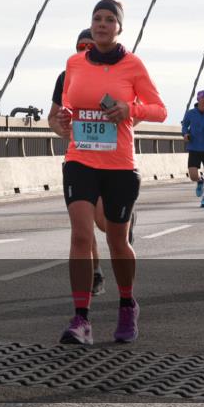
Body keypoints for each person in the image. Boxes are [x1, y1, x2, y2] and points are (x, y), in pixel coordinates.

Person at [54, 0, 167, 344]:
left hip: (119, 165)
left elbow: (160, 111)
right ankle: (81, 318)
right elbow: (63, 110)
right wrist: (61, 120)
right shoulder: (73, 64)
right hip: (80, 160)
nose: (101, 24)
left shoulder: (133, 65)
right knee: (81, 236)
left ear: (119, 27)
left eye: (108, 20)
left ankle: (127, 303)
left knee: (117, 241)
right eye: (96, 19)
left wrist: (129, 108)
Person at [49, 28, 135, 296]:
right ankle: (95, 273)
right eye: (80, 46)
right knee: (82, 230)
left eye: (88, 46)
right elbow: (53, 117)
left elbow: (136, 111)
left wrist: (122, 121)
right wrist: (60, 127)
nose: (84, 50)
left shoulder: (120, 71)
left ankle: (124, 225)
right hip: (79, 162)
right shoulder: (67, 76)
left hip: (113, 164)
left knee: (103, 224)